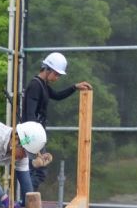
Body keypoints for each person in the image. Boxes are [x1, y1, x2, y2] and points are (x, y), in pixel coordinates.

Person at [21, 52, 92, 193]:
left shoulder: (43, 85)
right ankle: (27, 203)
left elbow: (57, 96)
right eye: (56, 74)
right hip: (31, 136)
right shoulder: (35, 86)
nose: (57, 77)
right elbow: (29, 114)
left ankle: (28, 202)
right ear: (46, 69)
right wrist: (35, 142)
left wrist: (75, 87)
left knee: (35, 170)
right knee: (36, 170)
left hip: (35, 135)